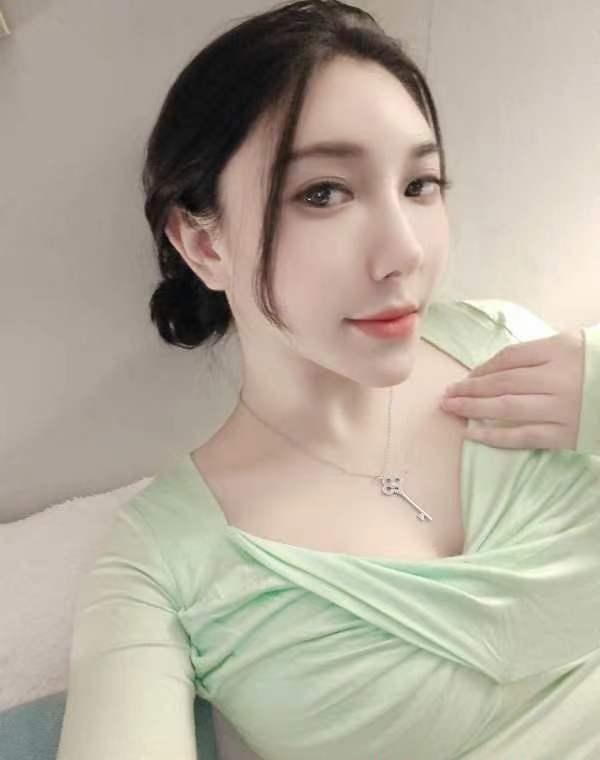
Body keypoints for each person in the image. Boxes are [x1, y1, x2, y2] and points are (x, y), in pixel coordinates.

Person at [56, 1, 600, 759]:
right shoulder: (161, 566)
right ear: (203, 243)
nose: (404, 252)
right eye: (324, 193)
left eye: (420, 184)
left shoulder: (513, 344)